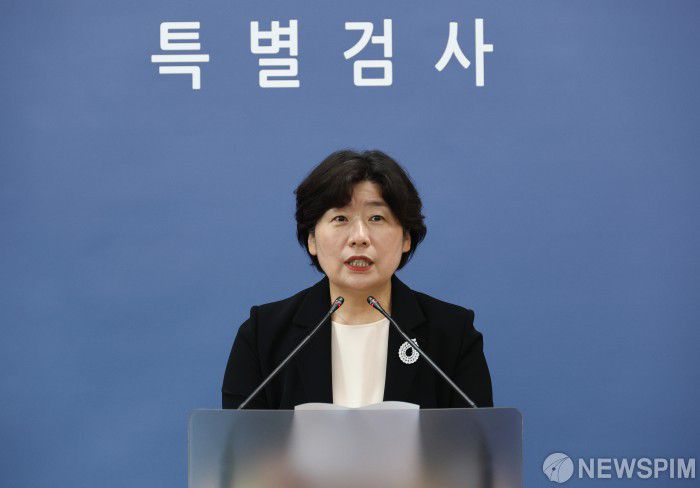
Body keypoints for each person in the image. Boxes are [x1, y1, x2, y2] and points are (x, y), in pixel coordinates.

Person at [222, 150, 493, 409]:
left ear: (406, 237)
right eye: (340, 218)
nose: (359, 237)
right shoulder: (262, 335)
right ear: (312, 238)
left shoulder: (452, 335)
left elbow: (476, 439)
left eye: (376, 218)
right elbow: (240, 439)